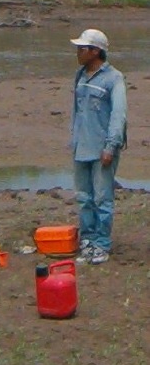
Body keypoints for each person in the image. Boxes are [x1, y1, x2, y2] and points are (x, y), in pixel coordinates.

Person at [69, 29, 127, 265]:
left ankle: (101, 244)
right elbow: (76, 111)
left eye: (82, 49)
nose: (78, 53)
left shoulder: (114, 78)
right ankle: (88, 240)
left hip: (102, 148)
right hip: (81, 146)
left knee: (103, 198)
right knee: (84, 197)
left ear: (96, 51)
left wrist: (111, 146)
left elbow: (118, 115)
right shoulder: (79, 75)